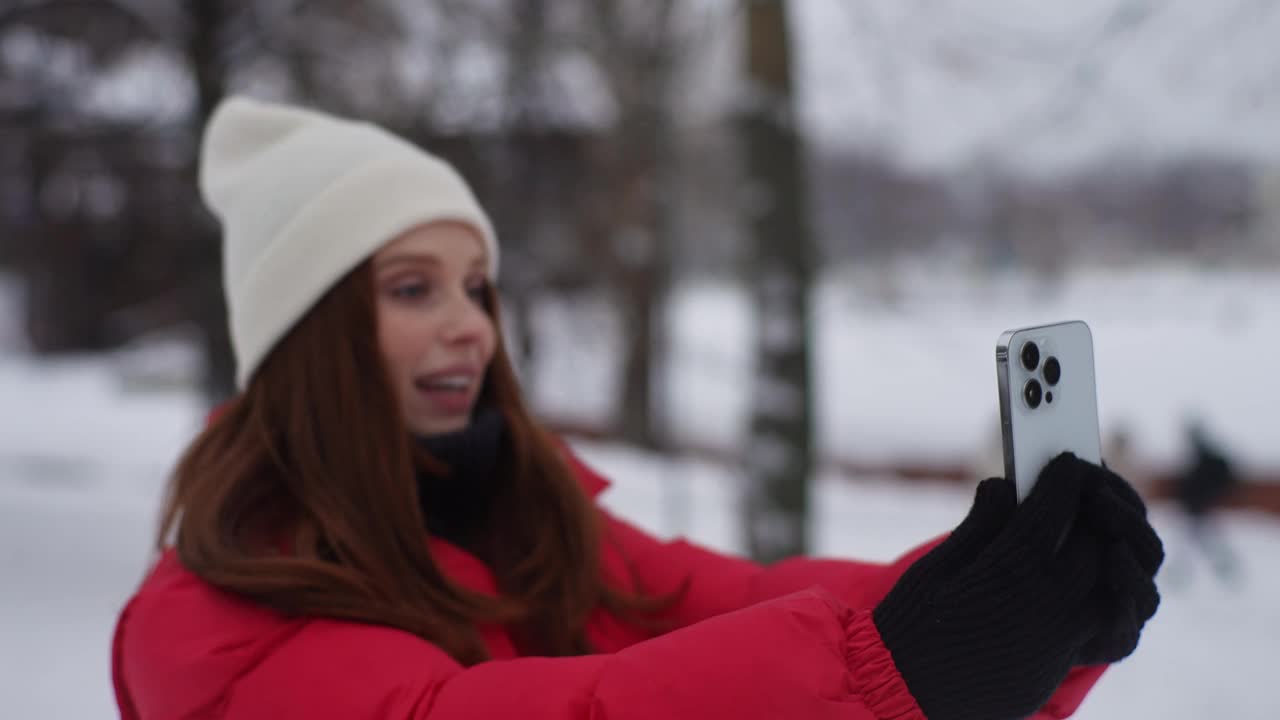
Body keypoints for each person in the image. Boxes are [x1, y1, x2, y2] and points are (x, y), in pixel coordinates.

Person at [111, 97, 1163, 720]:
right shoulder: (214, 620)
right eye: (409, 287)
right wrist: (890, 670)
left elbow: (729, 603)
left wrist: (1000, 587)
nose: (472, 326)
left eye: (479, 287)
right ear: (306, 338)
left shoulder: (523, 514)